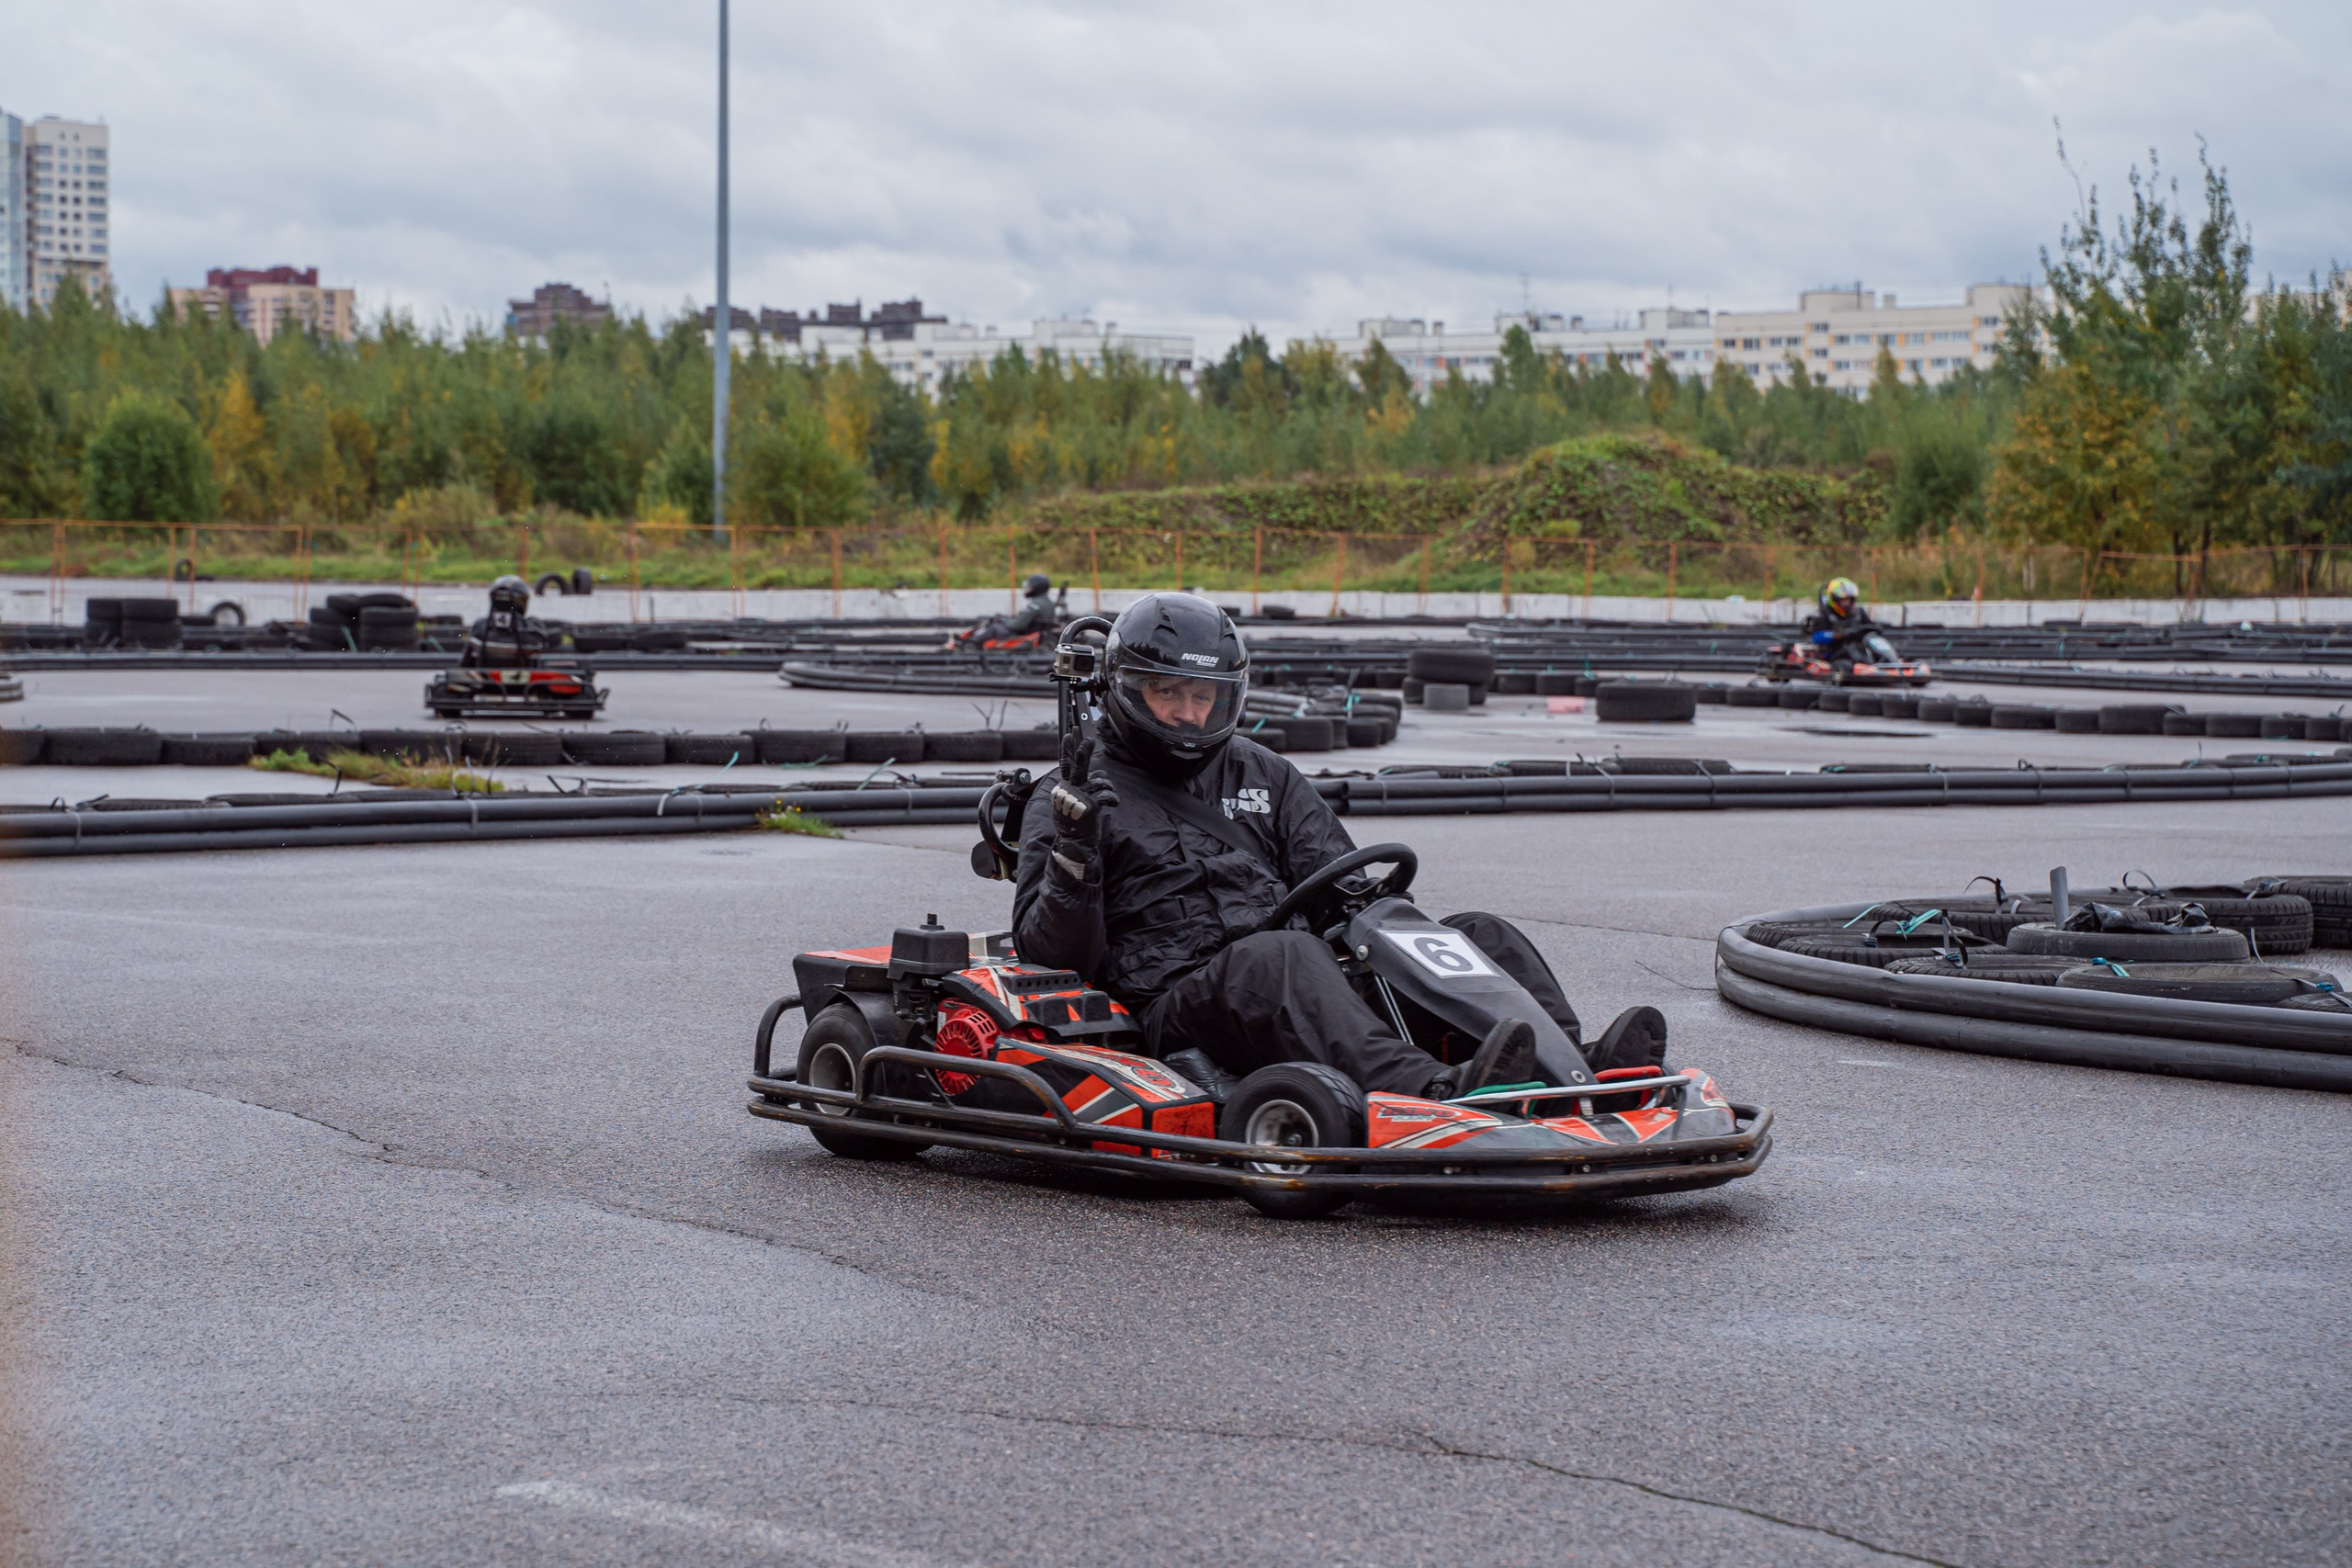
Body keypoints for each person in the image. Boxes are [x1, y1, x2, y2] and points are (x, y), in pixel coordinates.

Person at [1011, 592, 1666, 1101]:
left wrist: (1376, 926)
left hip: (1292, 969)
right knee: (1282, 958)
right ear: (1129, 689)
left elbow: (1342, 883)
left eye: (1203, 696)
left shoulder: (1263, 773)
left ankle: (1575, 1063)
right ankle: (1433, 1090)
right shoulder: (1073, 794)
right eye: (1170, 694)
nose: (1189, 714)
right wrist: (1076, 852)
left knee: (1476, 931)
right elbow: (1054, 958)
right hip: (1173, 999)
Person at [465, 575, 551, 669]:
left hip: (487, 681)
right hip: (525, 682)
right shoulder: (533, 628)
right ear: (522, 601)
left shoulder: (480, 627)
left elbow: (465, 665)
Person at [1802, 576, 1877, 661]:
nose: (1847, 603)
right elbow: (1816, 637)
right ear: (1834, 599)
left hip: (1859, 650)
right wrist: (1842, 634)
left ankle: (1888, 662)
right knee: (1850, 656)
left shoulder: (1859, 612)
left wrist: (1877, 627)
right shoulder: (1824, 614)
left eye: (1849, 600)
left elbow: (1869, 627)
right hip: (1834, 654)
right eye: (1843, 600)